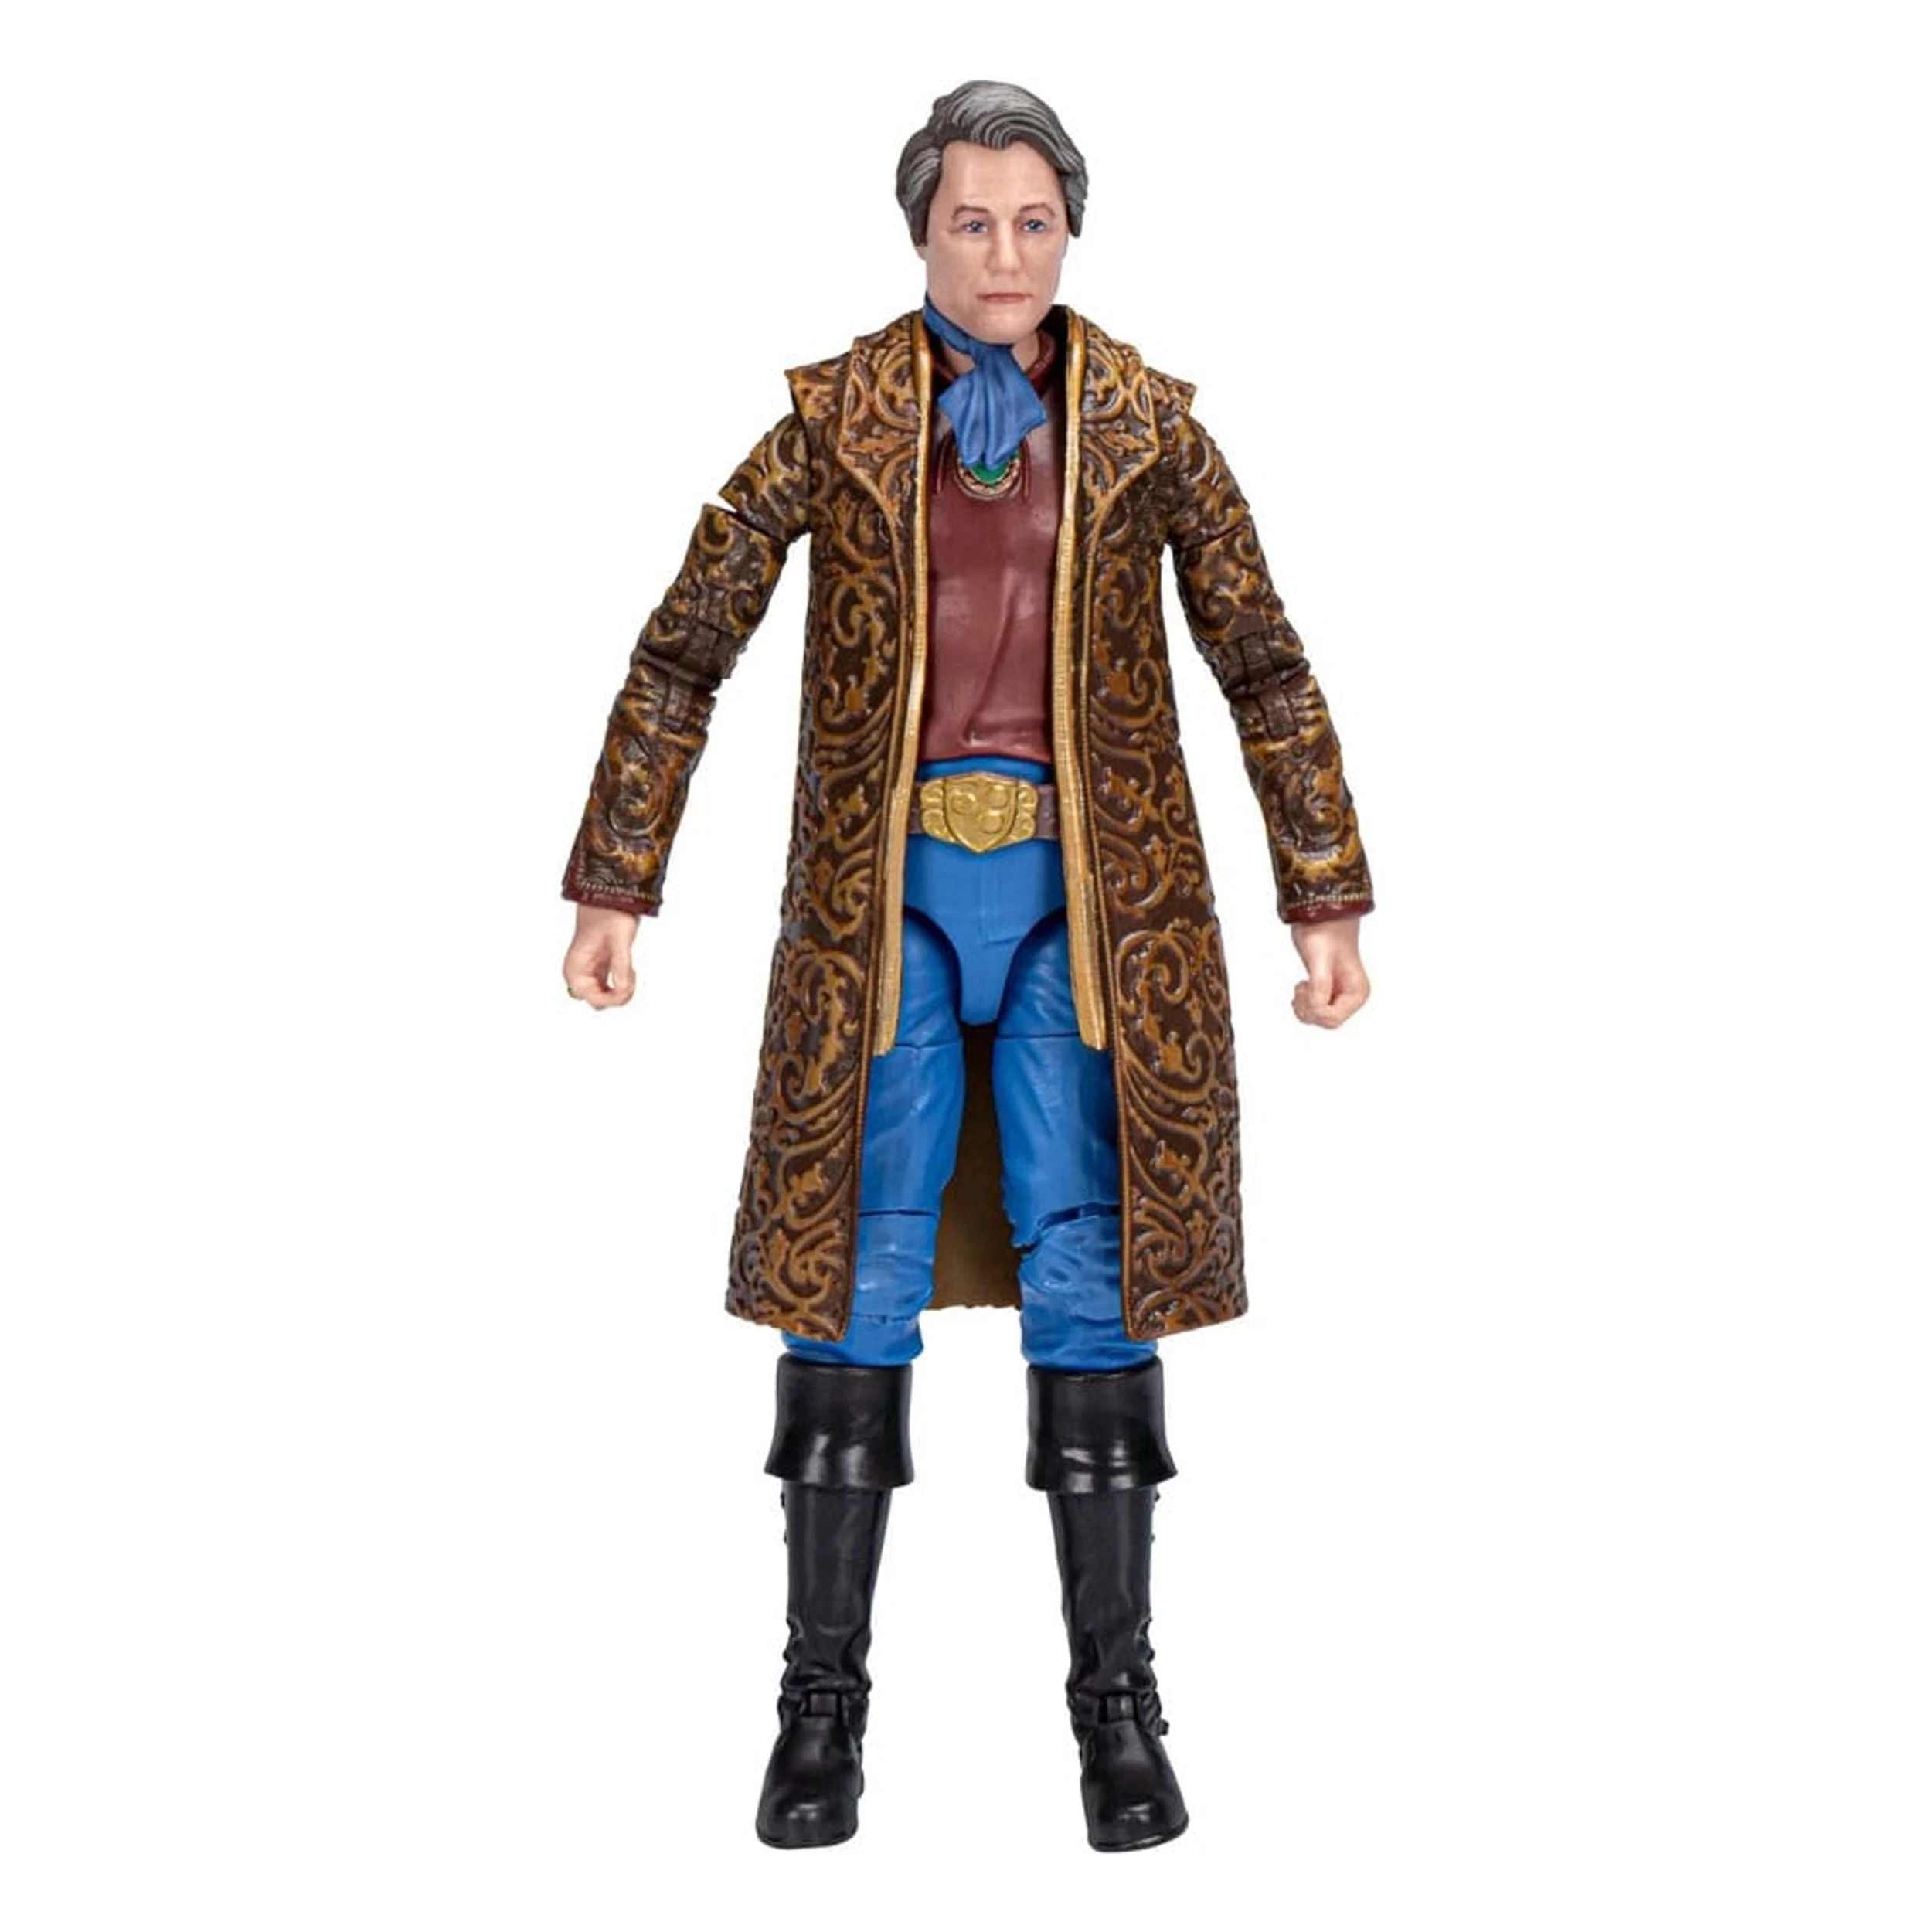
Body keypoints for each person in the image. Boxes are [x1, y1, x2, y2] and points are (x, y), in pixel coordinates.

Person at [560, 79, 1373, 1852]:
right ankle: (819, 1701)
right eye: (969, 222)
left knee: (1093, 1254)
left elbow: (1259, 654)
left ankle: (1115, 1700)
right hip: (885, 911)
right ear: (919, 232)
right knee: (851, 1257)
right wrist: (620, 877)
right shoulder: (834, 418)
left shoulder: (1146, 426)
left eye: (1031, 221)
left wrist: (1319, 889)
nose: (1002, 254)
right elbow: (687, 641)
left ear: (1070, 231)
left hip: (1094, 911)